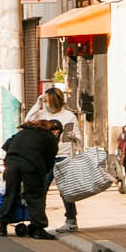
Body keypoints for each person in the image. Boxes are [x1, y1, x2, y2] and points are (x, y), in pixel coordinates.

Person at [27, 86, 81, 233]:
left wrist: (74, 137)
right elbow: (28, 120)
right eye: (45, 101)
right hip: (45, 157)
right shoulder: (42, 114)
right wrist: (37, 105)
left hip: (63, 156)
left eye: (48, 101)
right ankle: (38, 220)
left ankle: (71, 220)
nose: (47, 104)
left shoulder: (69, 116)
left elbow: (77, 135)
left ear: (56, 101)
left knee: (65, 190)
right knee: (42, 189)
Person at [0, 118, 62, 239]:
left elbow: (6, 145)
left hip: (12, 163)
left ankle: (2, 227)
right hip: (31, 166)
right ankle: (37, 228)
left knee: (10, 193)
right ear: (55, 131)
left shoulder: (23, 132)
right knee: (35, 196)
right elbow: (49, 160)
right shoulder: (49, 138)